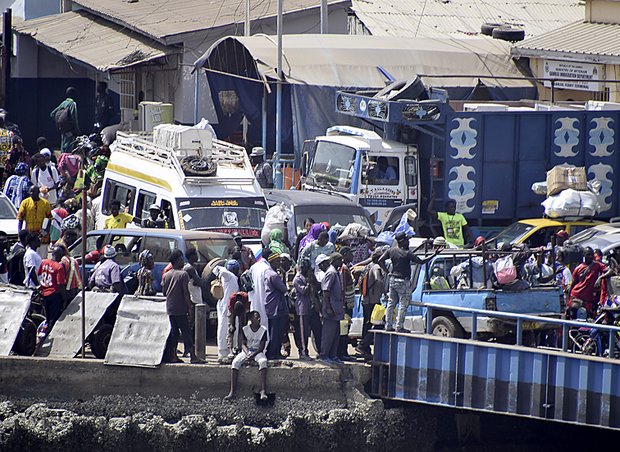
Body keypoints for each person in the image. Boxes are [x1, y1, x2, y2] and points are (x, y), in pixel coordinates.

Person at [379, 232, 442, 332]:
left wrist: (388, 272)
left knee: (391, 304)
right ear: (402, 241)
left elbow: (380, 260)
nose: (408, 241)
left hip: (393, 280)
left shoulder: (391, 251)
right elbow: (421, 261)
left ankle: (388, 326)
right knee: (403, 304)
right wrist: (435, 254)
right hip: (403, 281)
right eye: (407, 240)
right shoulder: (407, 253)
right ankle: (399, 327)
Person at [162, 249, 204, 364]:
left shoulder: (166, 275)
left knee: (174, 333)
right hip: (180, 308)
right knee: (186, 333)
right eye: (181, 259)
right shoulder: (183, 274)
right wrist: (190, 308)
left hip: (170, 308)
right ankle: (193, 357)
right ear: (176, 260)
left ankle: (173, 356)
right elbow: (186, 293)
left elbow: (164, 292)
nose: (182, 261)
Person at [224, 310, 269, 401]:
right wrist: (247, 353)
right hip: (247, 351)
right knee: (235, 363)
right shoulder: (245, 329)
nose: (258, 319)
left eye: (259, 317)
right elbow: (243, 344)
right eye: (256, 317)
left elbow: (261, 347)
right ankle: (232, 392)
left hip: (257, 352)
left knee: (263, 362)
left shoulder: (263, 330)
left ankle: (263, 390)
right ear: (251, 319)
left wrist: (253, 354)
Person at [355, 249, 385, 358]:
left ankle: (364, 350)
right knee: (377, 325)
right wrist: (385, 292)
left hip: (365, 300)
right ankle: (362, 346)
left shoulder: (368, 266)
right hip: (373, 301)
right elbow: (378, 279)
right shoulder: (376, 267)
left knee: (366, 325)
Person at [567, 247, 612, 319]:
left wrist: (600, 278)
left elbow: (610, 270)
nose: (590, 256)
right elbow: (573, 284)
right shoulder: (578, 268)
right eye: (588, 254)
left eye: (591, 254)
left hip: (589, 301)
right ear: (584, 255)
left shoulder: (597, 265)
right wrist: (568, 300)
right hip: (576, 297)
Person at [319, 253, 345, 364]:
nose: (341, 262)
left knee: (336, 334)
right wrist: (328, 308)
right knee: (328, 334)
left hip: (337, 309)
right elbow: (326, 291)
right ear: (334, 260)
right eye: (340, 260)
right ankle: (324, 355)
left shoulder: (336, 272)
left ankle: (333, 355)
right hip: (331, 309)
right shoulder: (331, 273)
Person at [213, 259, 240, 364]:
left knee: (228, 329)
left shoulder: (228, 277)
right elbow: (218, 269)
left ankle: (230, 350)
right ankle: (223, 353)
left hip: (225, 306)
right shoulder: (229, 276)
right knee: (224, 329)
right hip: (226, 308)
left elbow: (217, 270)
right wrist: (224, 263)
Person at [264, 252, 289, 360]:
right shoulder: (274, 275)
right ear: (272, 262)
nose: (279, 263)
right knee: (276, 331)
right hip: (276, 306)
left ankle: (275, 352)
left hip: (271, 305)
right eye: (277, 261)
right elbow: (283, 289)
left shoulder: (268, 272)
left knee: (274, 330)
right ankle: (273, 353)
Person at [37, 246, 68, 333]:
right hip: (54, 295)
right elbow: (60, 284)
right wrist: (64, 298)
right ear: (60, 256)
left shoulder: (44, 262)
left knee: (47, 316)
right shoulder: (59, 267)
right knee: (53, 319)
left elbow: (39, 275)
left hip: (43, 293)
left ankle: (44, 331)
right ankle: (48, 334)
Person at [17, 186, 52, 259]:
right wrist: (20, 233)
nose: (31, 193)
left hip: (42, 235)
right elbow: (20, 219)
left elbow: (50, 218)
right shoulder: (25, 202)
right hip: (30, 235)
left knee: (43, 257)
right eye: (31, 192)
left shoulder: (45, 203)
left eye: (34, 192)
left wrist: (46, 230)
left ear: (38, 192)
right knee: (31, 256)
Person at [292, 261, 314, 360]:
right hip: (302, 308)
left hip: (309, 307)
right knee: (302, 332)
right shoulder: (297, 279)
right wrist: (309, 282)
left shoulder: (307, 277)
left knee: (307, 331)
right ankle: (303, 352)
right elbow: (304, 291)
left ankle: (306, 352)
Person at [50, 87, 80, 154]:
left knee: (63, 144)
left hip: (63, 128)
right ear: (74, 95)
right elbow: (74, 118)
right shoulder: (72, 104)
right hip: (70, 129)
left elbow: (52, 114)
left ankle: (61, 159)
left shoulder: (63, 103)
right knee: (69, 145)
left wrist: (60, 122)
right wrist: (77, 130)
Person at [249, 248, 271, 329]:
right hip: (265, 300)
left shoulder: (253, 267)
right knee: (265, 323)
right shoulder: (267, 268)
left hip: (254, 301)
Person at [227, 291, 250, 355]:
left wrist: (243, 322)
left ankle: (240, 348)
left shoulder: (246, 297)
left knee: (242, 328)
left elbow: (247, 308)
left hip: (243, 311)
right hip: (232, 310)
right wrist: (232, 324)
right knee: (231, 329)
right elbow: (231, 312)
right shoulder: (231, 300)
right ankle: (230, 349)